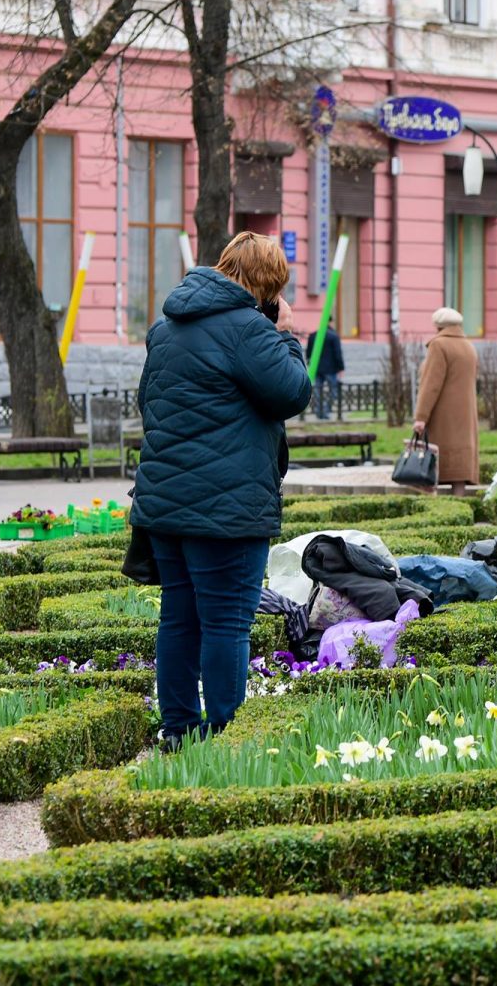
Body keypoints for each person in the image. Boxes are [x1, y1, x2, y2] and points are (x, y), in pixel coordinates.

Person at [133, 231, 312, 747]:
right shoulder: (249, 329)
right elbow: (292, 392)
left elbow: (151, 404)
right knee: (228, 625)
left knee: (180, 620)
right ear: (268, 285)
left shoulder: (164, 328)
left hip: (165, 504)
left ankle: (179, 728)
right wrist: (284, 334)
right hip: (228, 508)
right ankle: (228, 736)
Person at [412, 307, 480, 495]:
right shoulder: (468, 346)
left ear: (438, 326)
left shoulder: (439, 345)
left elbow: (430, 384)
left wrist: (421, 417)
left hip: (443, 415)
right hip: (465, 415)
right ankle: (460, 507)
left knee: (431, 462)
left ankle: (434, 510)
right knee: (460, 471)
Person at [306, 321, 345, 420]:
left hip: (317, 369)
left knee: (318, 391)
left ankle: (319, 411)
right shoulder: (333, 336)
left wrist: (310, 365)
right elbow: (338, 353)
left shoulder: (313, 335)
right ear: (331, 322)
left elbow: (308, 353)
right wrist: (341, 368)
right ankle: (326, 410)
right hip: (330, 369)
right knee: (334, 391)